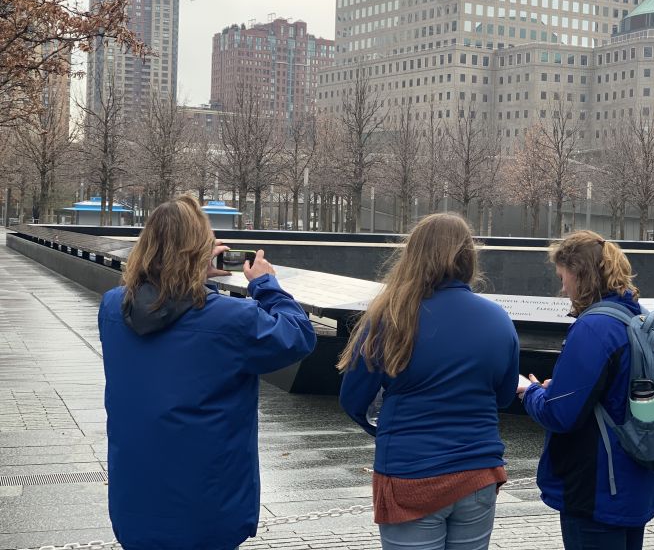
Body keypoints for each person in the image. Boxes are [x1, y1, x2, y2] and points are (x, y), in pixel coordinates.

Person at [98, 195, 317, 550]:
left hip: (135, 504)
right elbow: (298, 337)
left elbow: (169, 309)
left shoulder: (112, 307)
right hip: (208, 507)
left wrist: (197, 278)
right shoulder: (231, 319)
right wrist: (266, 285)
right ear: (201, 250)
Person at [338, 213, 520, 550]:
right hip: (478, 471)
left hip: (409, 473)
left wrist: (385, 431)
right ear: (468, 257)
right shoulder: (498, 320)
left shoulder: (388, 317)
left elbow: (352, 400)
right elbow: (505, 397)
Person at [517, 230, 654, 550]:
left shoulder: (594, 327)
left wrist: (532, 391)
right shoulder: (637, 316)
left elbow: (560, 414)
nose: (562, 287)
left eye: (563, 275)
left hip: (597, 489)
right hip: (635, 482)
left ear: (579, 274)